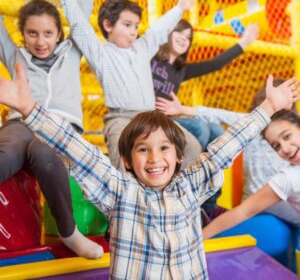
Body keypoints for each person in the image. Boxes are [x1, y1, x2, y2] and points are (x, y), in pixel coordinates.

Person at [0, 64, 298, 278]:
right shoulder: (119, 190)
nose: (155, 158)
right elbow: (78, 149)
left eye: (164, 148)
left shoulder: (191, 185)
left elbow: (227, 145)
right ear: (128, 160)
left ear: (179, 157)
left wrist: (268, 108)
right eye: (143, 149)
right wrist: (29, 108)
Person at [45, 0, 202, 170]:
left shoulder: (141, 48)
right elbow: (79, 25)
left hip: (150, 116)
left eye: (136, 26)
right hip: (121, 118)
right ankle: (124, 196)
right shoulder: (101, 53)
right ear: (108, 25)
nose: (133, 32)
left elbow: (158, 30)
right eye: (127, 25)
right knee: (121, 154)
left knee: (192, 147)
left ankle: (172, 193)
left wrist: (179, 9)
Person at [0, 0, 103, 258]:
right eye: (32, 33)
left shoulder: (71, 52)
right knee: (7, 154)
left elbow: (82, 10)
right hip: (21, 123)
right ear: (22, 34)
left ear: (59, 34)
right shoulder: (16, 56)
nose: (40, 41)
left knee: (46, 155)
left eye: (48, 33)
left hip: (60, 128)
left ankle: (70, 233)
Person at [110, 0, 259, 151]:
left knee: (216, 130)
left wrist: (244, 43)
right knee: (200, 128)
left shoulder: (181, 70)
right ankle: (187, 170)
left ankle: (204, 170)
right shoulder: (149, 54)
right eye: (179, 32)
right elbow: (116, 23)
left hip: (165, 120)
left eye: (188, 37)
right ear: (169, 34)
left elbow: (215, 64)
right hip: (141, 117)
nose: (183, 38)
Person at [157, 80, 300, 228]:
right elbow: (220, 115)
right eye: (276, 145)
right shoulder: (253, 124)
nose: (285, 147)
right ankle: (207, 212)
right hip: (260, 196)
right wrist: (183, 109)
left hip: (282, 197)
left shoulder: (290, 133)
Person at [202, 109, 300, 239]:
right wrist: (199, 239)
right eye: (277, 146)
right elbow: (243, 211)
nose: (286, 149)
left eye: (287, 136)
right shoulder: (286, 179)